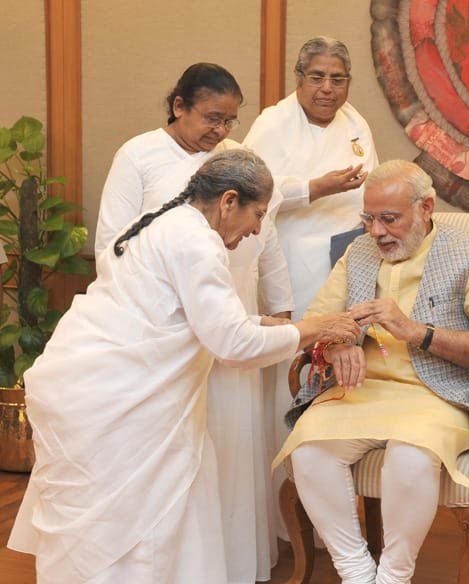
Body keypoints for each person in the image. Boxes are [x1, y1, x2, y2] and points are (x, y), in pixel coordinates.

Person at [7, 151, 360, 583]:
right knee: (136, 523)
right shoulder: (195, 241)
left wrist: (268, 323)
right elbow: (232, 345)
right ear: (229, 201)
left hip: (85, 382)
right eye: (258, 216)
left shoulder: (167, 220)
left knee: (130, 518)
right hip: (113, 397)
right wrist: (313, 327)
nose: (255, 231)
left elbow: (187, 318)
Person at [272, 160, 469, 584]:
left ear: (426, 207)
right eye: (368, 219)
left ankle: (393, 575)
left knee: (410, 458)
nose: (376, 232)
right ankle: (355, 572)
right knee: (309, 451)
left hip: (438, 396)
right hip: (359, 392)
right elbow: (316, 325)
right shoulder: (358, 253)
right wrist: (336, 348)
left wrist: (416, 332)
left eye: (389, 219)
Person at [94, 62, 294, 583]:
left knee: (229, 446)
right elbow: (110, 247)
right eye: (211, 117)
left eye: (230, 120)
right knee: (181, 452)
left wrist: (283, 308)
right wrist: (155, 317)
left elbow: (266, 232)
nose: (221, 131)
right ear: (178, 106)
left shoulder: (234, 163)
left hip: (234, 317)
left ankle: (227, 562)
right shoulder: (137, 155)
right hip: (167, 330)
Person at [243, 35, 379, 318]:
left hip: (351, 253)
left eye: (337, 79)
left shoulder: (356, 121)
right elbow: (250, 189)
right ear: (300, 78)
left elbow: (374, 183)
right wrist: (315, 188)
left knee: (346, 343)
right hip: (294, 256)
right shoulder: (273, 123)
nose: (327, 88)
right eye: (317, 77)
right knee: (300, 346)